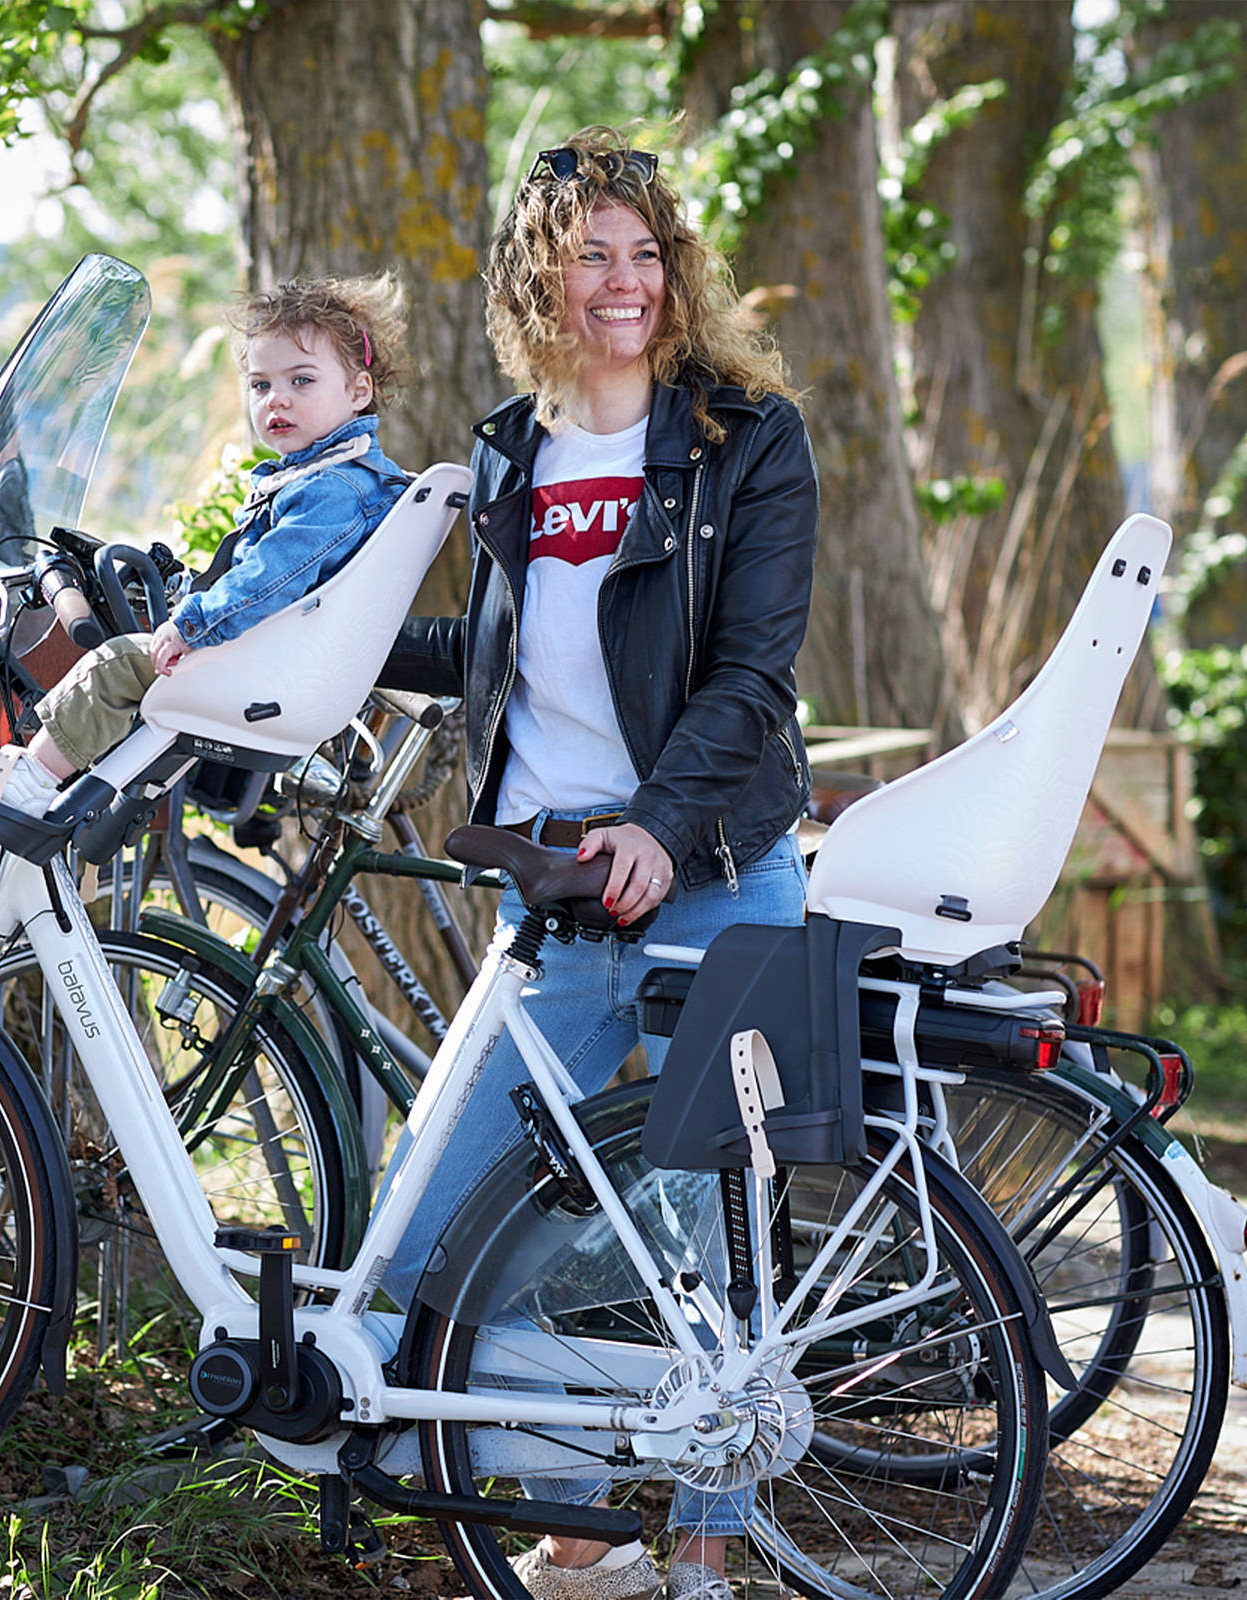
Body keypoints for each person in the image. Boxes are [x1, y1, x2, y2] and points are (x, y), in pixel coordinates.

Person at [377, 128, 819, 1600]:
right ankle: (567, 1518)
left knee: (708, 1217)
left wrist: (662, 824)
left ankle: (705, 1534)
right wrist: (312, 643)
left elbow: (752, 672)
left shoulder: (748, 434)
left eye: (643, 254)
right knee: (471, 1204)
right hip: (554, 888)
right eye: (590, 257)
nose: (622, 283)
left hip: (719, 864)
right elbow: (498, 654)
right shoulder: (514, 442)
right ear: (540, 278)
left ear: (674, 268)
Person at [0, 274, 413, 811]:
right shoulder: (335, 478)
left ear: (358, 390)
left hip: (268, 666)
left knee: (117, 665)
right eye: (260, 385)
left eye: (301, 381)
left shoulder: (333, 490)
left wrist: (192, 623)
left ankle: (33, 776)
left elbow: (272, 576)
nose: (277, 399)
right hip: (280, 658)